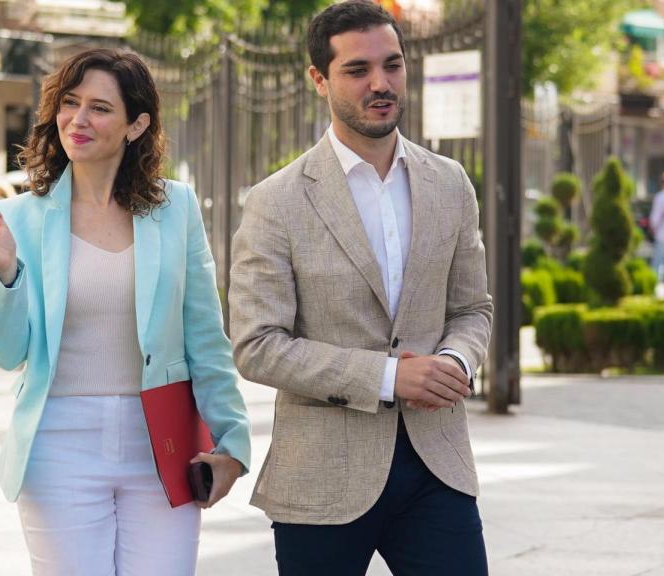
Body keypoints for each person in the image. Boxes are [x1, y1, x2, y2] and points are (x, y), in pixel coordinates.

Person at [0, 48, 250, 576]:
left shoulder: (176, 209)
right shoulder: (17, 218)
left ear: (137, 124)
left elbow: (205, 337)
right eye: (70, 102)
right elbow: (5, 352)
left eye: (100, 108)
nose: (78, 119)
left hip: (162, 444)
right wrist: (6, 271)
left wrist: (232, 444)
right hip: (58, 444)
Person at [229, 2, 493, 575]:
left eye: (392, 65)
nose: (381, 83)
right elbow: (257, 344)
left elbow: (473, 307)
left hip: (437, 464)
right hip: (321, 475)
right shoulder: (276, 202)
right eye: (357, 70)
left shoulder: (450, 183)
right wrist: (390, 376)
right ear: (319, 79)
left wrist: (453, 360)